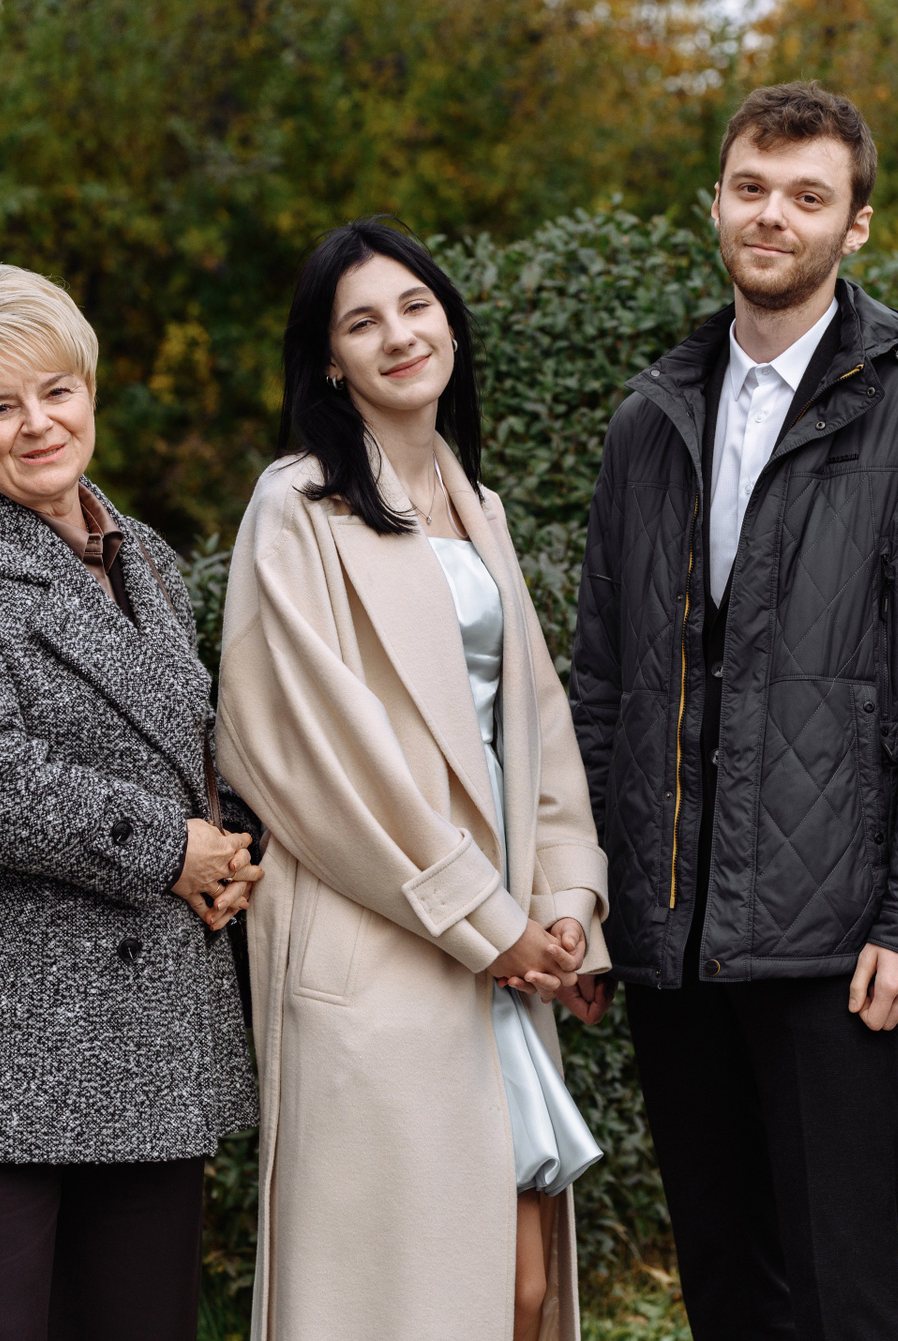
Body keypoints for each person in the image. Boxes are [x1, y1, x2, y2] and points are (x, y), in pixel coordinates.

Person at [568, 83, 898, 1340]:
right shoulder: (651, 417)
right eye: (751, 189)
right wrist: (591, 894)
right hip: (672, 935)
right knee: (726, 1285)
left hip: (836, 938)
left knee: (841, 1294)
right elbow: (602, 685)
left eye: (808, 196)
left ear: (855, 224)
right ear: (714, 203)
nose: (773, 216)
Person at [0, 263, 262, 1341]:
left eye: (55, 390)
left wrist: (228, 847)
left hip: (149, 1039)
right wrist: (169, 848)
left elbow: (185, 749)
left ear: (89, 391)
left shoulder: (143, 557)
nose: (37, 424)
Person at [214, 218, 609, 1341]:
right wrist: (486, 920)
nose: (398, 335)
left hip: (500, 939)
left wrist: (566, 905)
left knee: (521, 1291)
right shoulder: (296, 508)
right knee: (409, 1300)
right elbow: (311, 754)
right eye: (362, 322)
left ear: (451, 324)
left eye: (416, 306)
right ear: (329, 361)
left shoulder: (475, 504)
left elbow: (533, 722)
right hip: (378, 935)